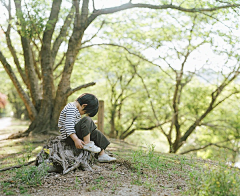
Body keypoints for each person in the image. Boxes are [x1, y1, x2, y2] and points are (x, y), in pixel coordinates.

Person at [58, 93, 116, 162]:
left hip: (76, 134)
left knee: (96, 133)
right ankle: (87, 143)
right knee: (87, 120)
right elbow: (68, 126)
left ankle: (102, 154)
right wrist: (76, 140)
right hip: (70, 137)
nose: (83, 114)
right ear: (83, 106)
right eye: (85, 112)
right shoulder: (71, 108)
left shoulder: (76, 109)